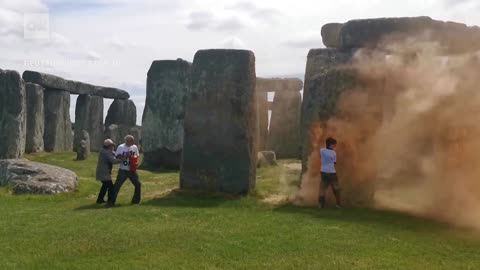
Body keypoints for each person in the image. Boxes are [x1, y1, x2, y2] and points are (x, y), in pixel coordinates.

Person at [111, 135, 141, 205]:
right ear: (127, 141)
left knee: (138, 184)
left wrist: (136, 163)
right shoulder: (121, 147)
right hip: (123, 170)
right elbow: (117, 156)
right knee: (117, 186)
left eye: (133, 140)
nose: (133, 142)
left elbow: (137, 156)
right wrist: (125, 156)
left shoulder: (134, 147)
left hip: (132, 169)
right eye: (131, 141)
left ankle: (135, 201)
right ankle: (111, 202)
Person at [95, 139, 122, 207]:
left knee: (105, 186)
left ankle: (100, 199)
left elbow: (112, 153)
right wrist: (123, 159)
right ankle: (110, 201)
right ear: (109, 146)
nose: (112, 147)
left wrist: (115, 153)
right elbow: (113, 161)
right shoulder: (106, 153)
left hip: (102, 172)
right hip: (104, 173)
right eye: (112, 145)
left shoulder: (103, 150)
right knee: (111, 187)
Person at [319, 137, 342, 209]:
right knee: (336, 188)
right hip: (331, 172)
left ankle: (321, 205)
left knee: (322, 188)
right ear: (330, 145)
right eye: (334, 145)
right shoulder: (333, 153)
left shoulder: (322, 150)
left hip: (323, 171)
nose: (335, 146)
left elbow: (321, 157)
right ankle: (338, 204)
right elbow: (334, 162)